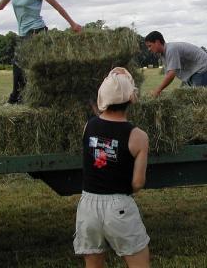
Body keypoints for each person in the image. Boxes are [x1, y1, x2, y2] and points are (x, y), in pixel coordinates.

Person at [74, 67, 150, 268]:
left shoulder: (87, 127)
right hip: (119, 207)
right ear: (131, 99)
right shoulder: (138, 136)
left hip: (87, 206)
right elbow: (138, 183)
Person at [144, 31, 207, 97]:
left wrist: (158, 90)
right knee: (190, 95)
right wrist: (160, 90)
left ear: (157, 42)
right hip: (194, 71)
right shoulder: (163, 55)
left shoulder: (171, 50)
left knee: (196, 97)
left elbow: (171, 74)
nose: (149, 49)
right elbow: (168, 74)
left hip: (203, 67)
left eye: (150, 46)